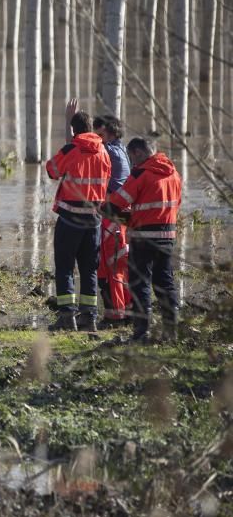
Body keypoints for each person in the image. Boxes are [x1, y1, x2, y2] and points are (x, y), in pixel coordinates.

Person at [102, 138, 182, 342]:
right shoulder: (173, 173)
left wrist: (103, 208)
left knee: (140, 284)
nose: (132, 163)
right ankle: (171, 331)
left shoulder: (140, 173)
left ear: (137, 153)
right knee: (165, 283)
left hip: (144, 237)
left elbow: (119, 201)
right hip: (168, 235)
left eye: (131, 157)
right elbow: (176, 204)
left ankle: (141, 331)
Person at [45, 100, 111, 331]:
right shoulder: (103, 151)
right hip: (94, 220)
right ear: (92, 129)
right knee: (89, 270)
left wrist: (67, 132)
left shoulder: (72, 149)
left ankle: (66, 316)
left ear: (74, 131)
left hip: (70, 219)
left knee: (64, 267)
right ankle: (89, 318)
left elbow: (52, 170)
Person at [92, 114, 131, 325]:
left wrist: (71, 128)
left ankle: (116, 315)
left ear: (111, 133)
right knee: (118, 265)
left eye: (100, 135)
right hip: (121, 215)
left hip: (112, 216)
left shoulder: (110, 151)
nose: (97, 139)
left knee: (111, 267)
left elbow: (84, 148)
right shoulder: (122, 149)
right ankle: (126, 310)